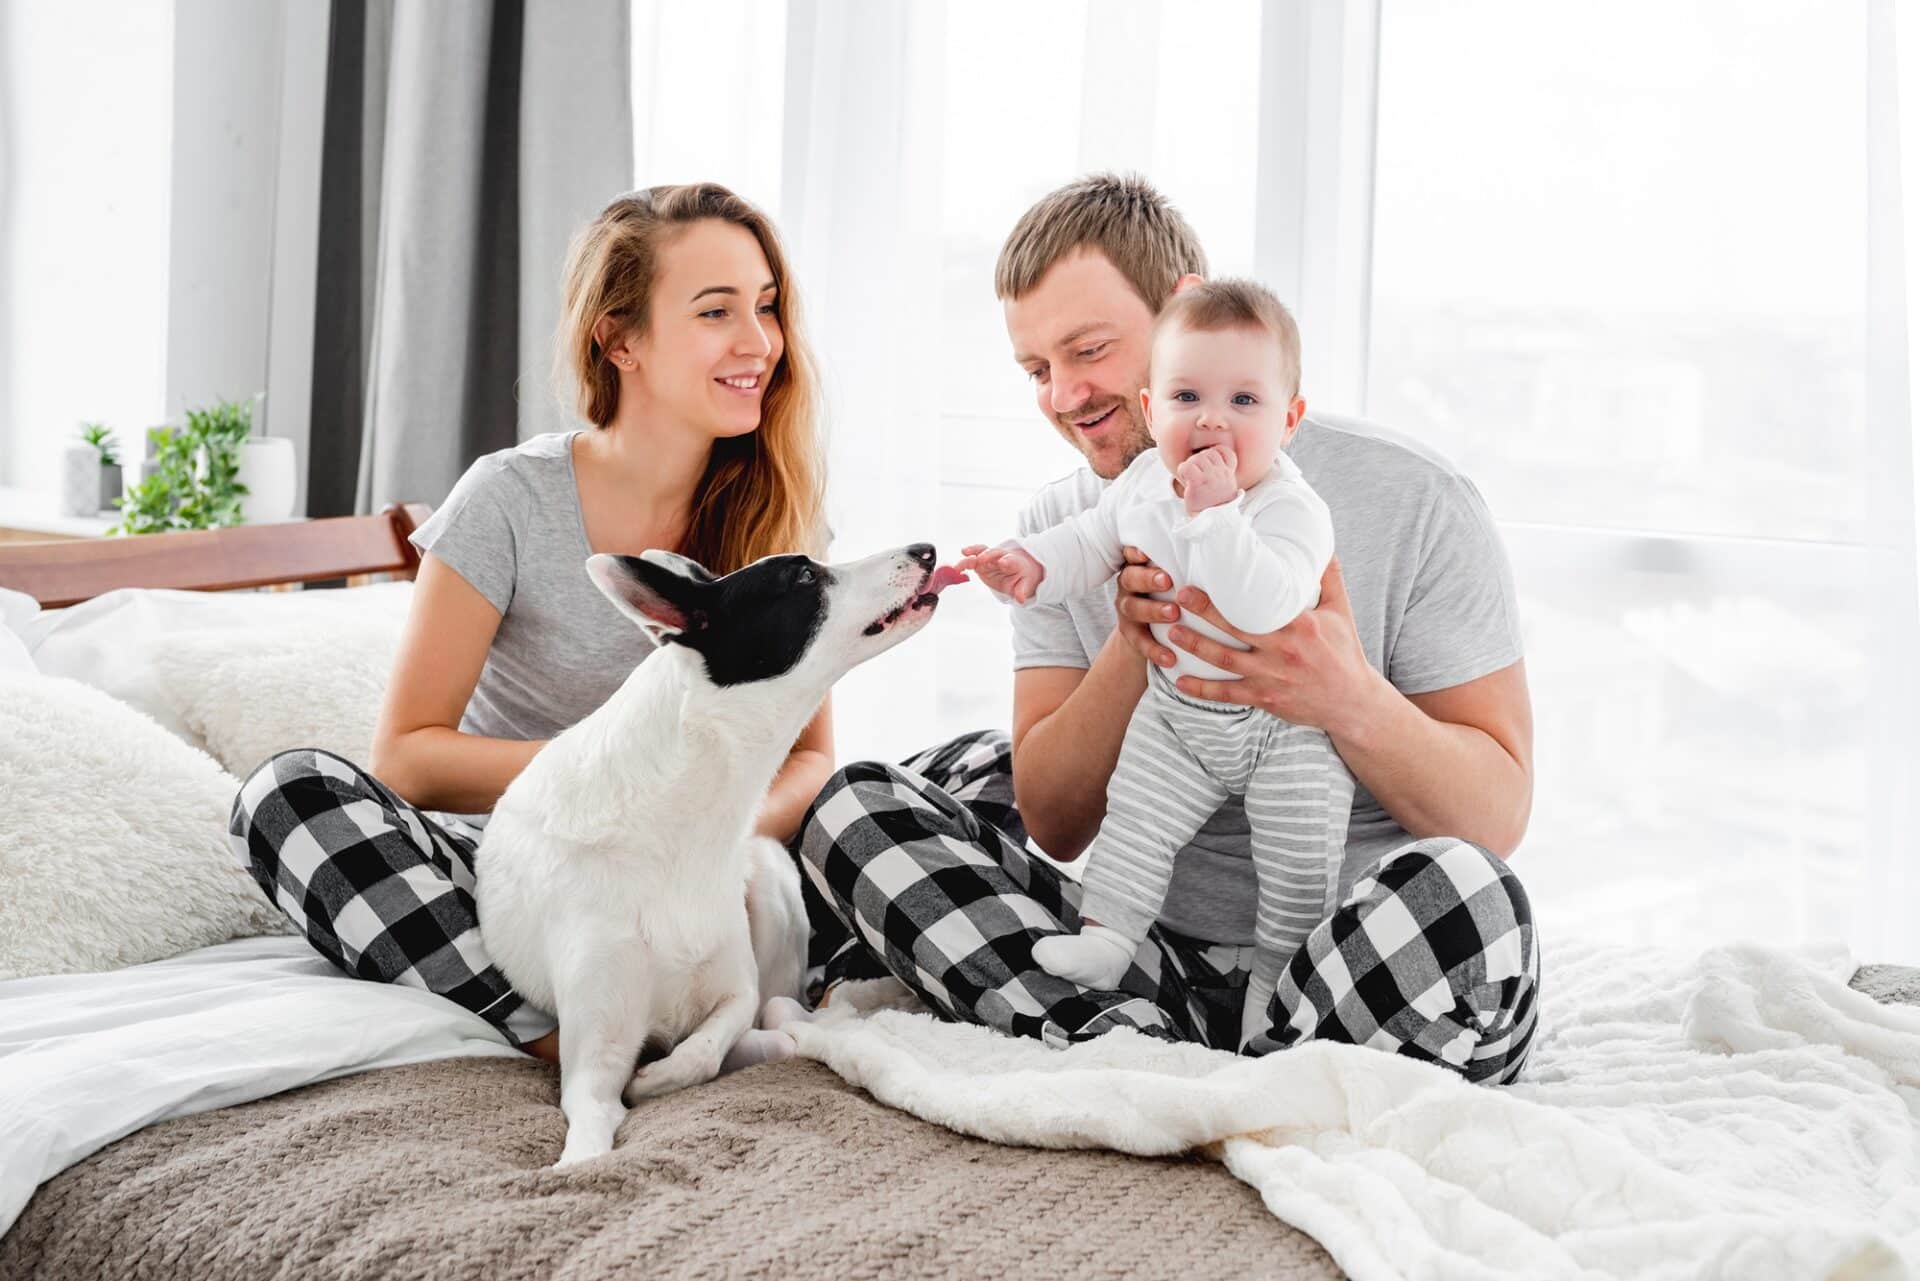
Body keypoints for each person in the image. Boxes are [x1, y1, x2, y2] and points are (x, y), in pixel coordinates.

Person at [793, 173, 1540, 1083]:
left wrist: (1346, 697)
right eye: (1037, 371)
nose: (1065, 395)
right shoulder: (1071, 524)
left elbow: (1494, 818)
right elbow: (1058, 823)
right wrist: (1131, 640)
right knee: (855, 811)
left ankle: (1192, 1067)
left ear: (1185, 309)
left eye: (1089, 349)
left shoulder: (1412, 498)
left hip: (1345, 962)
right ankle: (1198, 1063)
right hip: (1152, 959)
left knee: (1473, 907)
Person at [229, 183, 829, 1062]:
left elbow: (812, 755)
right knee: (285, 797)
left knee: (950, 776)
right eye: (716, 311)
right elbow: (409, 755)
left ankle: (774, 993)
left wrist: (712, 830)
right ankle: (558, 1035)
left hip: (707, 868)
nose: (759, 343)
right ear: (619, 339)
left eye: (767, 307)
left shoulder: (781, 515)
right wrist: (627, 785)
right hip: (530, 864)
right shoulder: (509, 500)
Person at [963, 278, 1349, 1052]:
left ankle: (1276, 983)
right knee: (1137, 812)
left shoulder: (1289, 508)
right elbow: (1092, 541)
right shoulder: (1144, 484)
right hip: (1181, 714)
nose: (1211, 418)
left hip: (1284, 732)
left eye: (1244, 401)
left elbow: (1271, 602)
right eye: (1186, 396)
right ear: (1151, 408)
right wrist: (1031, 564)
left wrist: (1215, 517)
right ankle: (1109, 936)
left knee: (1300, 858)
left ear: (1289, 420)